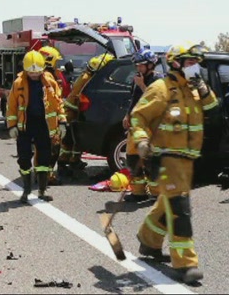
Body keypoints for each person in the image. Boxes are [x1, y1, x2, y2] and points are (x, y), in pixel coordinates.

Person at [131, 43, 219, 284]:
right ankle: (186, 264)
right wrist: (140, 141)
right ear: (176, 63)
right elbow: (138, 116)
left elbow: (213, 108)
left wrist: (202, 87)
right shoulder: (161, 89)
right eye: (190, 62)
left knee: (169, 202)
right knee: (180, 208)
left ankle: (148, 240)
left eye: (196, 63)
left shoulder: (194, 89)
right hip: (166, 158)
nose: (195, 67)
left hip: (187, 159)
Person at [6, 50, 67, 203]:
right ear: (25, 70)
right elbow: (11, 106)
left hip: (43, 125)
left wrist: (63, 122)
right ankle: (26, 191)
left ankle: (41, 190)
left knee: (44, 158)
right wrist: (11, 126)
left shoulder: (49, 82)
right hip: (25, 126)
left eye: (37, 72)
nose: (34, 75)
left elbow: (58, 103)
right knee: (24, 158)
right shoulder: (18, 83)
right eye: (31, 73)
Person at [56, 53, 116, 181]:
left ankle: (73, 161)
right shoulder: (86, 78)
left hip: (76, 110)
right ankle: (63, 164)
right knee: (69, 140)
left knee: (76, 139)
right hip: (72, 111)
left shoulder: (86, 76)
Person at [122, 49, 164, 202]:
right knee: (132, 158)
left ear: (151, 65)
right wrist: (127, 115)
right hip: (136, 126)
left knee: (150, 160)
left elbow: (155, 101)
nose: (139, 69)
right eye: (137, 66)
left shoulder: (158, 81)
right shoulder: (139, 79)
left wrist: (141, 85)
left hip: (151, 127)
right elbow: (134, 99)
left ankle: (156, 192)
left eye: (141, 66)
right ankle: (138, 192)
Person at [37, 45, 70, 185]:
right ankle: (47, 177)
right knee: (52, 151)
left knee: (41, 150)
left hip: (39, 122)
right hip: (50, 124)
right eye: (56, 62)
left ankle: (41, 175)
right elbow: (57, 103)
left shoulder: (38, 77)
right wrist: (62, 120)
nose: (58, 66)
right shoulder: (49, 79)